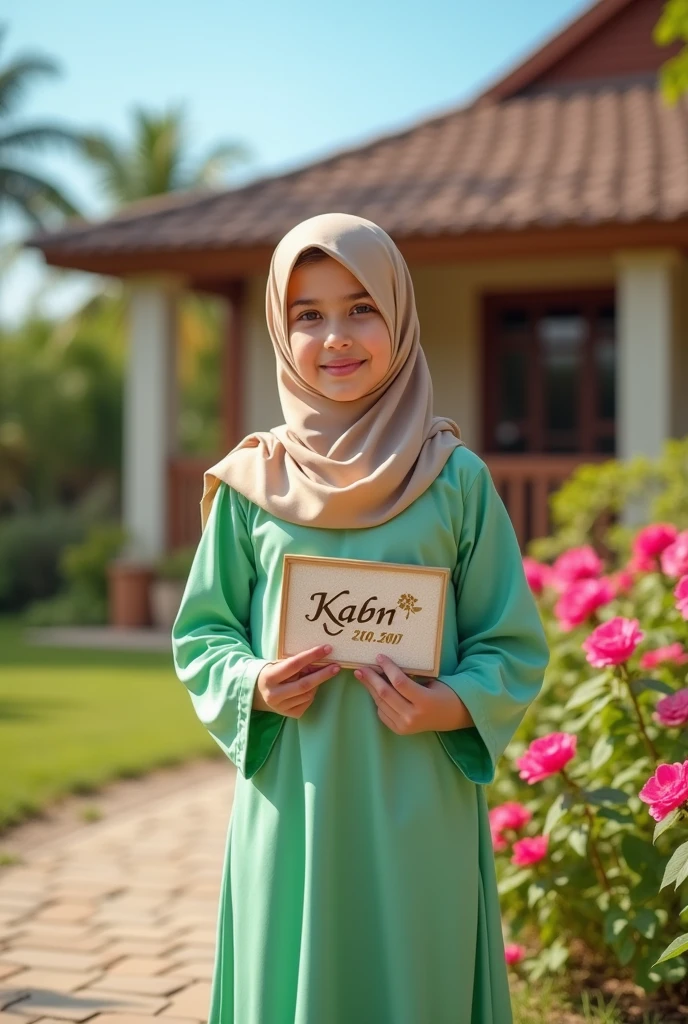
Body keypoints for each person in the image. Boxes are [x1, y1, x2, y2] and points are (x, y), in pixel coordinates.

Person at [171, 212, 550, 1024]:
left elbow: (509, 643)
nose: (334, 337)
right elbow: (204, 634)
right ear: (281, 329)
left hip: (419, 798)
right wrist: (256, 683)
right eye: (308, 315)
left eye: (361, 307)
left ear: (400, 316)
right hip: (292, 799)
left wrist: (447, 704)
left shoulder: (455, 480)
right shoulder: (250, 483)